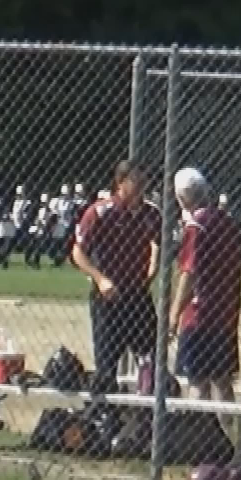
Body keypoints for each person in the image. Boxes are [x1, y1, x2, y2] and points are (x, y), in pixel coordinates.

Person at [172, 167, 241, 459]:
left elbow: (188, 274)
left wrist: (173, 315)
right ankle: (229, 444)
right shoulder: (226, 221)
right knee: (222, 379)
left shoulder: (196, 226)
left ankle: (203, 445)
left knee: (197, 381)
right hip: (225, 311)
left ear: (182, 198)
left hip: (200, 314)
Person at [72, 161, 161, 398]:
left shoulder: (151, 213)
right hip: (109, 296)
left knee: (150, 357)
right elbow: (78, 252)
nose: (143, 186)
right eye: (137, 181)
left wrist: (154, 261)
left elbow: (158, 242)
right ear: (120, 183)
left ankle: (147, 415)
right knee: (107, 365)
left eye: (145, 182)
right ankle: (106, 421)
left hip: (138, 294)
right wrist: (100, 279)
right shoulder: (101, 212)